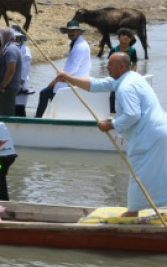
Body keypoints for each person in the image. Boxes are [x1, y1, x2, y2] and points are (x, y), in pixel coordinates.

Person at [58, 52, 167, 217]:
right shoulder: (131, 77)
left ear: (121, 66)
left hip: (149, 136)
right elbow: (96, 84)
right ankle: (158, 208)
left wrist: (110, 125)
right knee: (158, 174)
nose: (106, 67)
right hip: (158, 132)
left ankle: (133, 213)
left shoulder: (126, 87)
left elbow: (132, 115)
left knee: (138, 174)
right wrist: (70, 78)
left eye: (110, 64)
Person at [35, 20, 91, 118]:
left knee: (46, 94)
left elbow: (73, 68)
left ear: (78, 32)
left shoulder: (80, 47)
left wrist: (56, 80)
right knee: (45, 93)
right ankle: (41, 119)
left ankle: (41, 120)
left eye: (74, 31)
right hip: (68, 79)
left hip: (73, 81)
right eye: (69, 31)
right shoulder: (75, 44)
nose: (71, 33)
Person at [0, 27, 21, 117]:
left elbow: (11, 69)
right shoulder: (5, 48)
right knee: (3, 113)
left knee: (5, 116)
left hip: (7, 88)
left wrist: (3, 86)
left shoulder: (10, 49)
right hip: (6, 88)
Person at [12, 25, 34, 117]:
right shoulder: (9, 48)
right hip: (11, 83)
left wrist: (20, 84)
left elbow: (25, 69)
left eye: (15, 36)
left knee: (19, 110)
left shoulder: (25, 50)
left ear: (20, 37)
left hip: (20, 84)